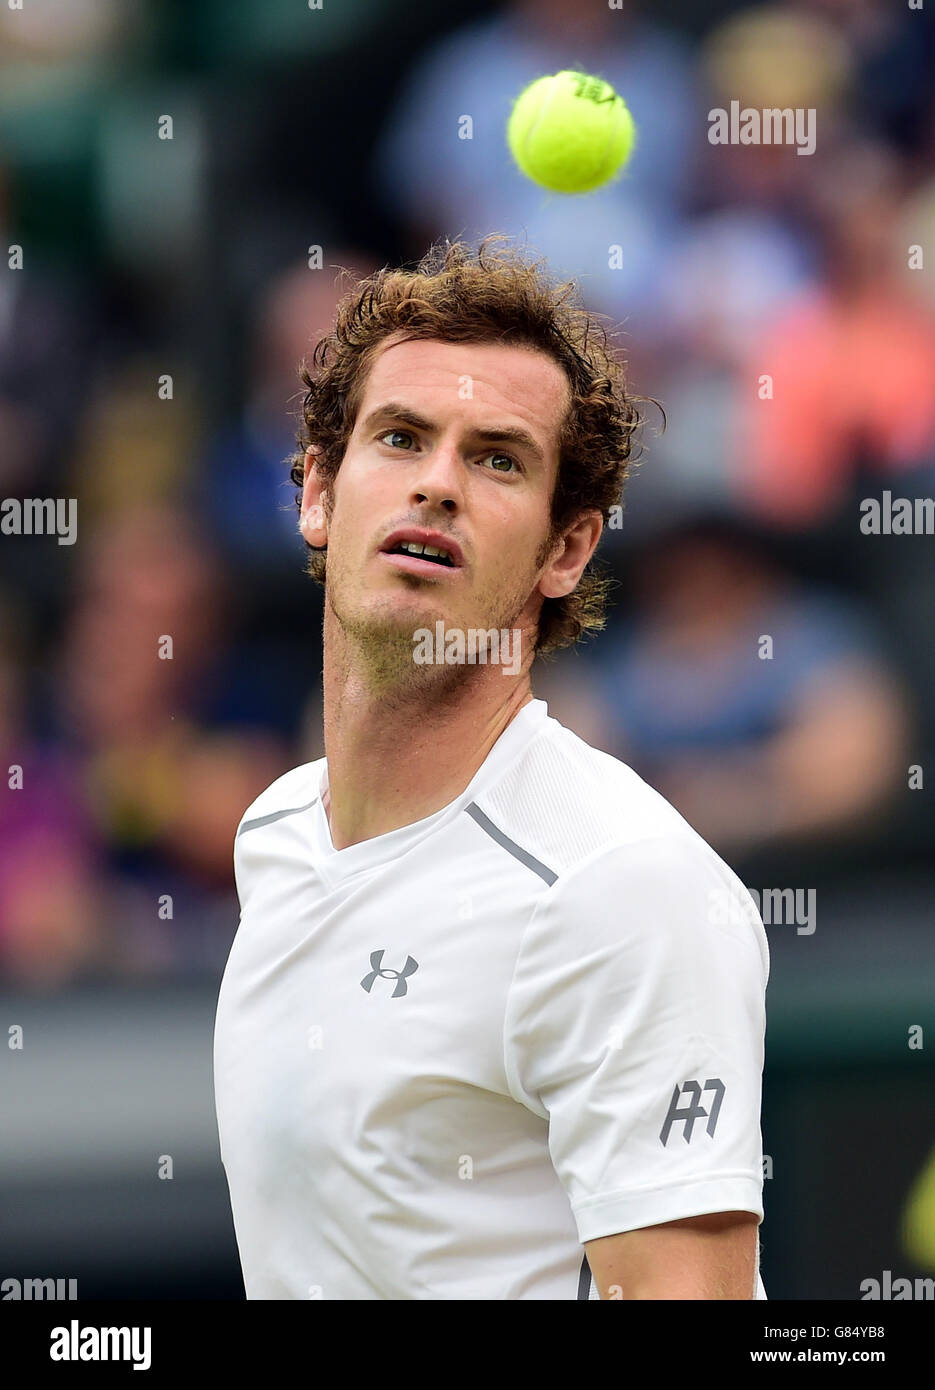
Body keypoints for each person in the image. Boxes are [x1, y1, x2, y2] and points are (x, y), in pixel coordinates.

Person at [213, 237, 769, 1301]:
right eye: (401, 437)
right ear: (319, 496)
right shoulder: (276, 833)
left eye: (496, 457)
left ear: (566, 551)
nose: (436, 484)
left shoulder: (621, 883)